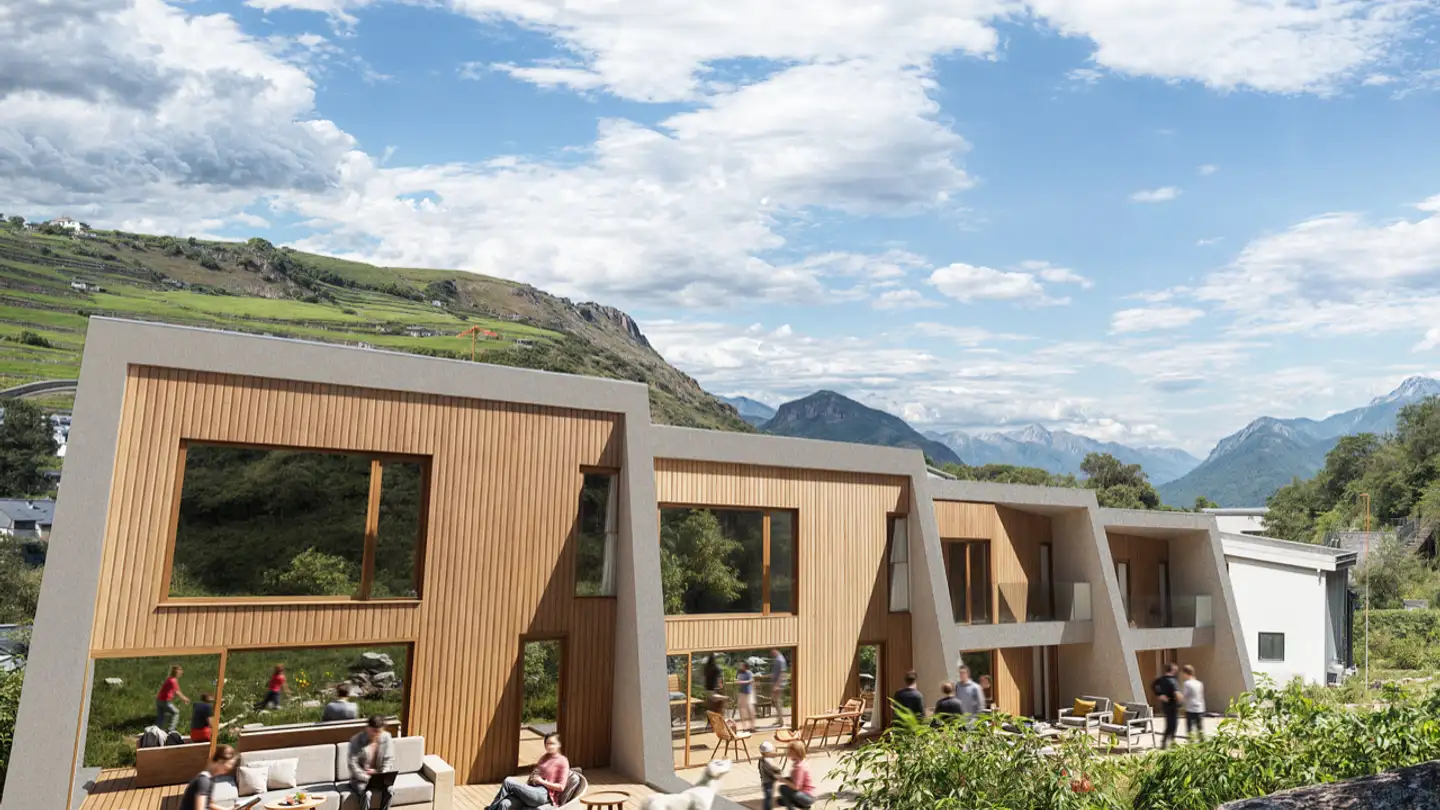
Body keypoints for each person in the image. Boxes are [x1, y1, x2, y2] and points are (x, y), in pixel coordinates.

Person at [485, 732, 569, 810]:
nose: (549, 746)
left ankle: (491, 808)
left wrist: (542, 782)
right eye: (547, 743)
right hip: (531, 790)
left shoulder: (562, 761)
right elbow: (537, 772)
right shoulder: (544, 757)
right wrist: (532, 779)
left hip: (543, 794)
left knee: (508, 780)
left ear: (559, 744)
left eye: (552, 743)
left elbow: (561, 787)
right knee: (504, 804)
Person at [348, 716, 396, 810]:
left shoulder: (386, 737)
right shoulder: (356, 740)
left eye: (379, 732)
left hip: (379, 775)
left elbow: (388, 759)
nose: (376, 734)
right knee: (367, 794)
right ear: (367, 728)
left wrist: (382, 774)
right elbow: (352, 765)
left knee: (390, 790)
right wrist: (368, 778)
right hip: (360, 779)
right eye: (373, 731)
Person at [180, 744, 236, 810]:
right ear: (220, 761)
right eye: (227, 767)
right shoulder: (204, 781)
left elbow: (208, 804)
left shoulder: (209, 778)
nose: (227, 770)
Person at [776, 740, 815, 808]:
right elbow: (795, 779)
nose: (787, 753)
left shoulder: (799, 767)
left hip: (807, 797)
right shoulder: (801, 762)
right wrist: (785, 779)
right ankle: (796, 803)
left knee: (782, 788)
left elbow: (797, 787)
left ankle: (792, 807)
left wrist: (784, 780)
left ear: (796, 753)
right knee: (781, 800)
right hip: (806, 795)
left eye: (789, 751)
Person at [1151, 663, 1181, 749]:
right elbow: (1176, 692)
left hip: (1166, 705)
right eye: (1175, 669)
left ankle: (1166, 742)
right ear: (1172, 670)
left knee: (1169, 724)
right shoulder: (1172, 680)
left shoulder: (1161, 679)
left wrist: (1159, 695)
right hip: (1172, 704)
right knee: (1173, 724)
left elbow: (1153, 686)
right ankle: (1170, 742)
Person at [156, 665, 190, 732]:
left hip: (159, 700)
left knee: (161, 717)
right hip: (165, 701)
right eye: (180, 672)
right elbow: (177, 692)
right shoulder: (173, 681)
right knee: (176, 712)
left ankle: (156, 730)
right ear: (177, 673)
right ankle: (171, 730)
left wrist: (183, 698)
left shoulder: (169, 679)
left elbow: (177, 690)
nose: (181, 674)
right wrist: (185, 699)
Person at [1181, 664, 1206, 742]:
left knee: (1190, 729)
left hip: (1190, 708)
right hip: (1200, 708)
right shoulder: (1199, 683)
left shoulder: (1187, 683)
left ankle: (1191, 745)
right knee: (1200, 728)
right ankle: (1203, 744)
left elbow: (1185, 696)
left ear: (1186, 673)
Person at [757, 740, 783, 810]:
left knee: (769, 796)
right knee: (768, 797)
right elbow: (773, 768)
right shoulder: (767, 760)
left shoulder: (762, 760)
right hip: (768, 782)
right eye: (771, 752)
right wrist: (778, 772)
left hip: (765, 781)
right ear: (766, 753)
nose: (773, 753)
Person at [770, 648, 789, 728]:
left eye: (772, 651)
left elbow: (782, 673)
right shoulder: (779, 659)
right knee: (776, 701)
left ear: (775, 650)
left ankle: (781, 721)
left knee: (778, 702)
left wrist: (777, 685)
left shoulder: (780, 660)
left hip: (779, 684)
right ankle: (779, 719)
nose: (771, 653)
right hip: (777, 683)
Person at [735, 661, 756, 731]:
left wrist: (742, 682)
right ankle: (744, 726)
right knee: (742, 710)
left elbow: (751, 680)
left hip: (748, 693)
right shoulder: (739, 673)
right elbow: (736, 681)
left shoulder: (748, 672)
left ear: (745, 666)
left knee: (750, 709)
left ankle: (752, 726)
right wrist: (739, 682)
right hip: (741, 693)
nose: (740, 666)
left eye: (741, 665)